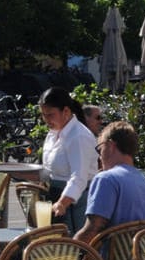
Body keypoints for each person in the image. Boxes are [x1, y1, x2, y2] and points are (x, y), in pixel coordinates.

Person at [74, 122, 145, 244]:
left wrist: (69, 249)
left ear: (110, 145)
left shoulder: (106, 179)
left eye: (99, 149)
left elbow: (92, 230)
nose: (99, 157)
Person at [39, 87, 100, 233]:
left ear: (66, 111)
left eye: (50, 115)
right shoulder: (53, 133)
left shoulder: (78, 136)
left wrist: (62, 203)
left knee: (75, 250)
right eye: (43, 115)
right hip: (57, 198)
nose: (46, 120)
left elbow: (79, 177)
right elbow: (48, 170)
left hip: (75, 204)